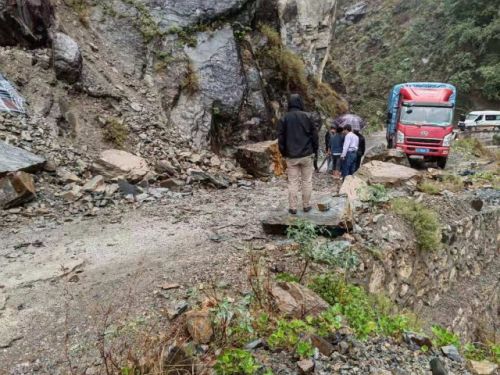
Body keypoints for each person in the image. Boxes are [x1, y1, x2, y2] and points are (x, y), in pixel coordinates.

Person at [278, 94, 319, 214]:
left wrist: (284, 153)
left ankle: (293, 207)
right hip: (307, 155)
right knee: (307, 181)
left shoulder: (284, 119)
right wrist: (315, 151)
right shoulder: (308, 116)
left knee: (293, 182)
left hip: (291, 156)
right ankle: (306, 205)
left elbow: (281, 139)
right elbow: (314, 136)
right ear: (300, 103)